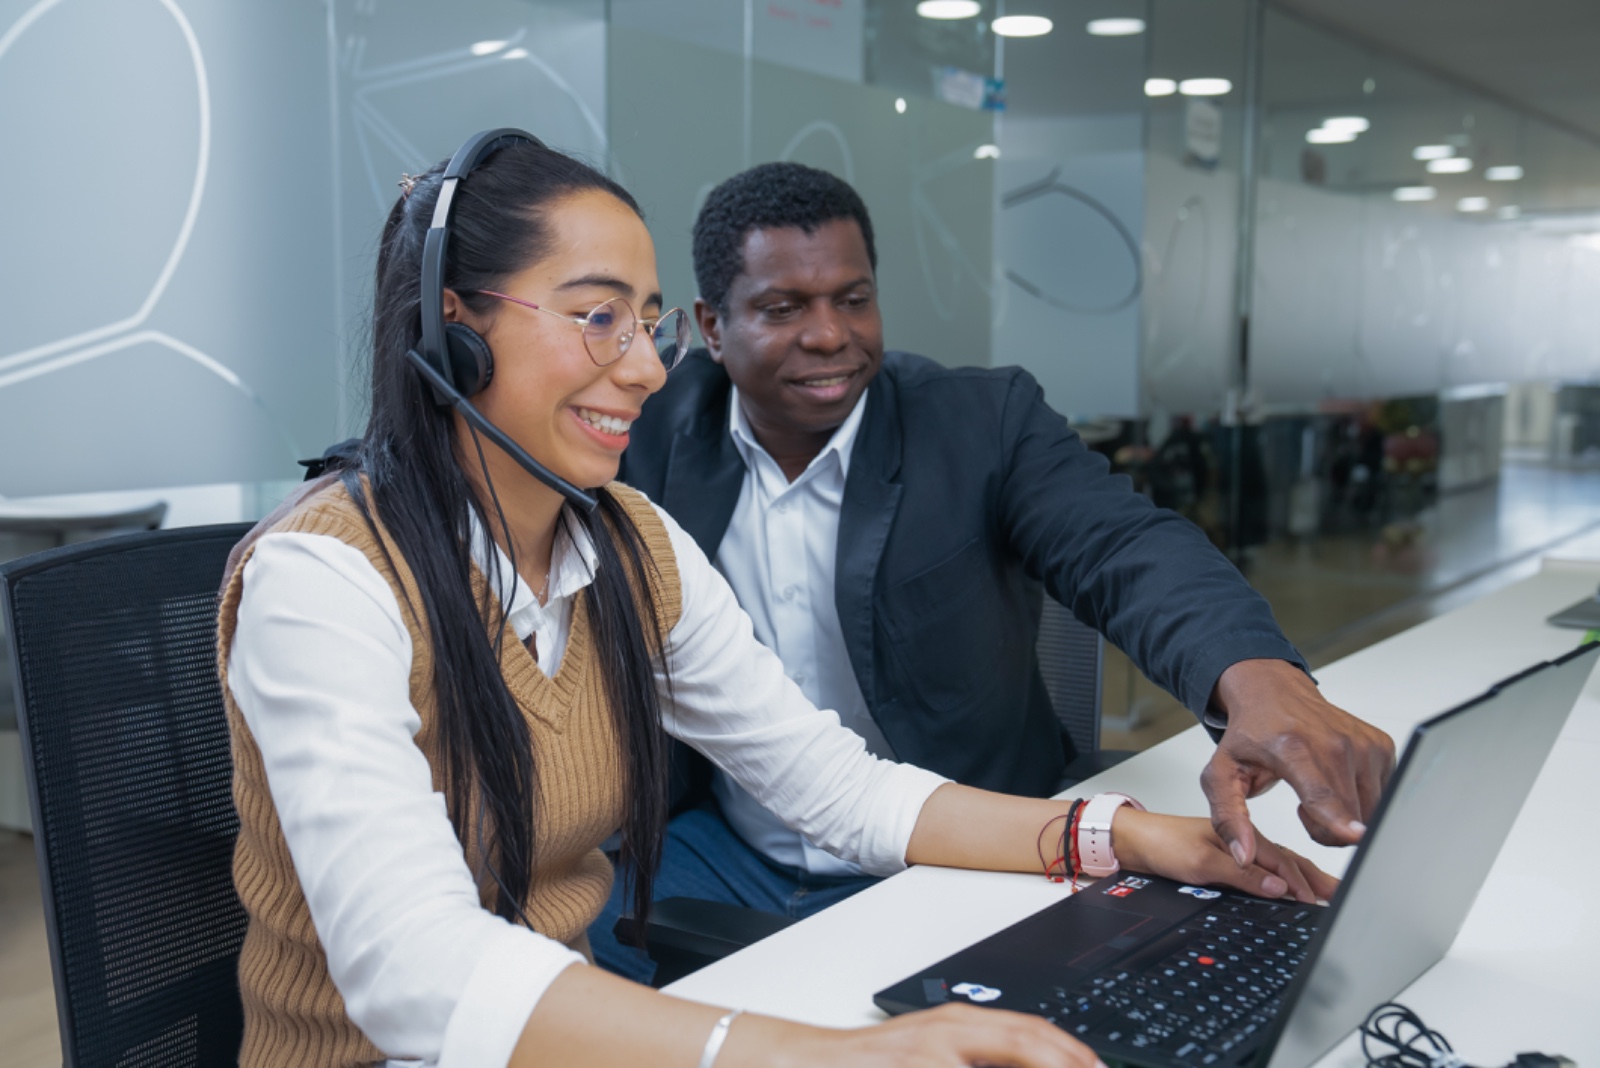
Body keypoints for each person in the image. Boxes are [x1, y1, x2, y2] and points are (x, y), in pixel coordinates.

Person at [219, 136, 1335, 1068]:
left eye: (643, 322)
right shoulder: (323, 581)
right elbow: (415, 974)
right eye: (596, 316)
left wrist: (1136, 840)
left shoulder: (629, 544)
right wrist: (828, 1052)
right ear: (452, 327)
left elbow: (833, 786)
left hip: (578, 1023)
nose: (647, 369)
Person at [598, 162, 1391, 982]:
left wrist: (1257, 678)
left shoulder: (980, 422)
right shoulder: (648, 432)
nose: (830, 334)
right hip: (723, 843)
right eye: (783, 308)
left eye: (854, 298)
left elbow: (1122, 547)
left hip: (957, 842)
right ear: (712, 327)